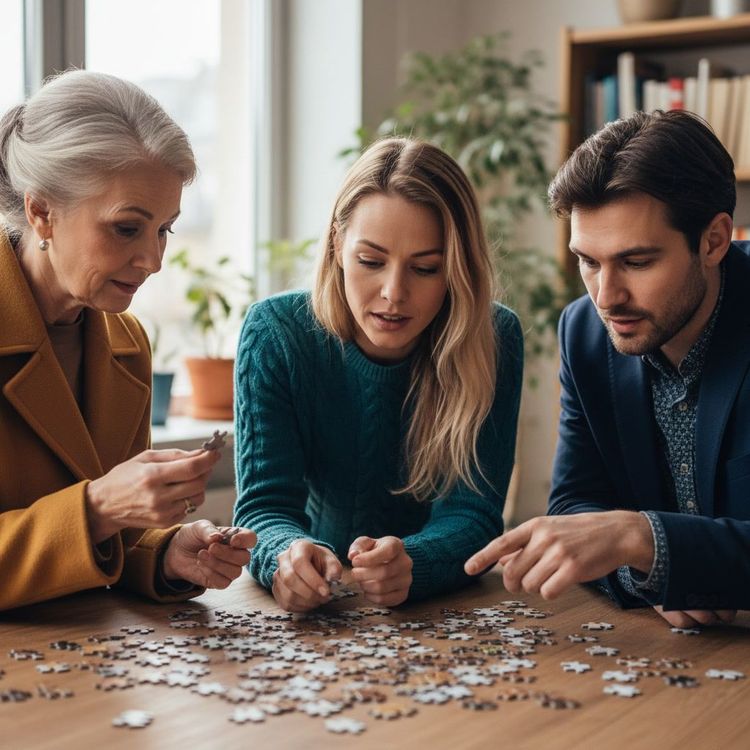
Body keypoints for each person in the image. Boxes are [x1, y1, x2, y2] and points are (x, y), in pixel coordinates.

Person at [465, 109, 750, 628]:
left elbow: (609, 532)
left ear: (714, 240)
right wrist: (655, 572)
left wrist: (639, 538)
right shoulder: (584, 333)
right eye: (588, 261)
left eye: (637, 262)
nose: (606, 296)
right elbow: (576, 507)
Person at [0, 70, 255, 612]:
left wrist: (166, 554)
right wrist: (95, 508)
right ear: (41, 211)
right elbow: (93, 516)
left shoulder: (127, 345)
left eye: (165, 229)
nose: (153, 260)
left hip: (89, 671)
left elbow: (110, 543)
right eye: (126, 228)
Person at [233, 138, 523, 612]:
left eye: (426, 268)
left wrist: (417, 561)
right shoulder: (275, 332)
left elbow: (475, 512)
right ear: (337, 245)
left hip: (437, 615)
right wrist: (285, 555)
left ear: (455, 269)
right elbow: (264, 507)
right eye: (371, 261)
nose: (394, 292)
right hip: (321, 611)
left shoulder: (494, 336)